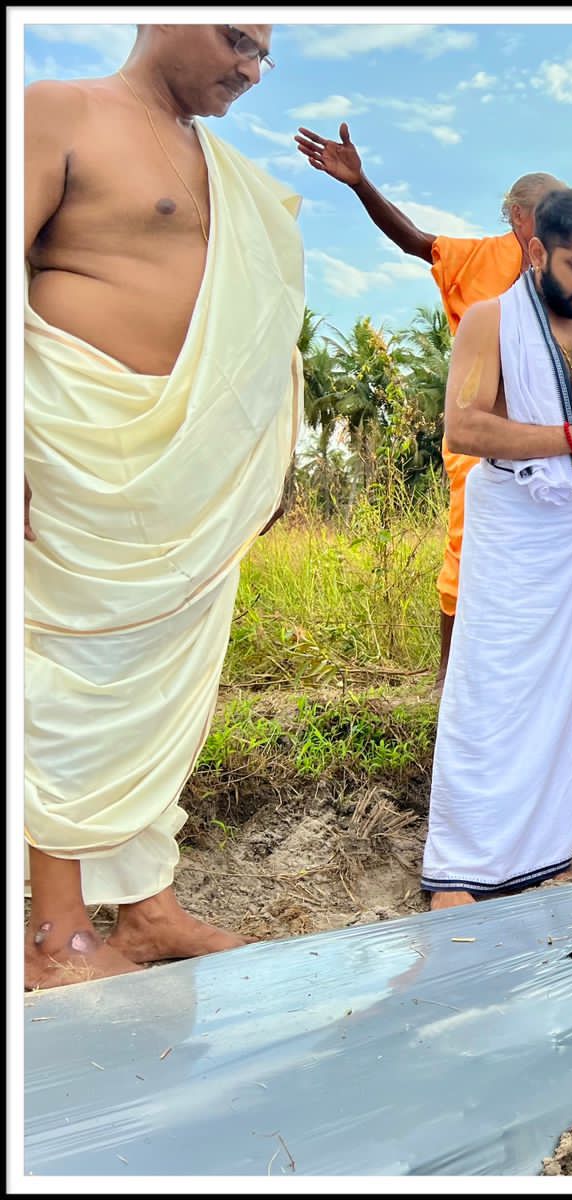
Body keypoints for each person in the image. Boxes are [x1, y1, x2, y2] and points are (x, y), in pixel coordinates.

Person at [24, 25, 301, 989]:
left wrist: (259, 457)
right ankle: (55, 936)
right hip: (77, 453)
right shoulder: (59, 111)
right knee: (65, 687)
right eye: (237, 40)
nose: (251, 70)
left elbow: (259, 329)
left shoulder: (228, 173)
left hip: (193, 483)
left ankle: (146, 911)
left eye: (266, 54)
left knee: (166, 698)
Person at [421, 189, 572, 909]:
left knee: (566, 694)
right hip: (513, 532)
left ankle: (545, 848)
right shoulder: (491, 322)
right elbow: (465, 428)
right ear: (536, 252)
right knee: (491, 692)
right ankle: (460, 869)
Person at [295, 121, 566, 694]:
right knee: (468, 548)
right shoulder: (476, 259)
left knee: (542, 554)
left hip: (550, 438)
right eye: (547, 209)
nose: (557, 220)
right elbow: (413, 240)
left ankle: (524, 674)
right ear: (517, 215)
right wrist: (360, 182)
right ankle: (448, 681)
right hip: (483, 435)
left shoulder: (562, 276)